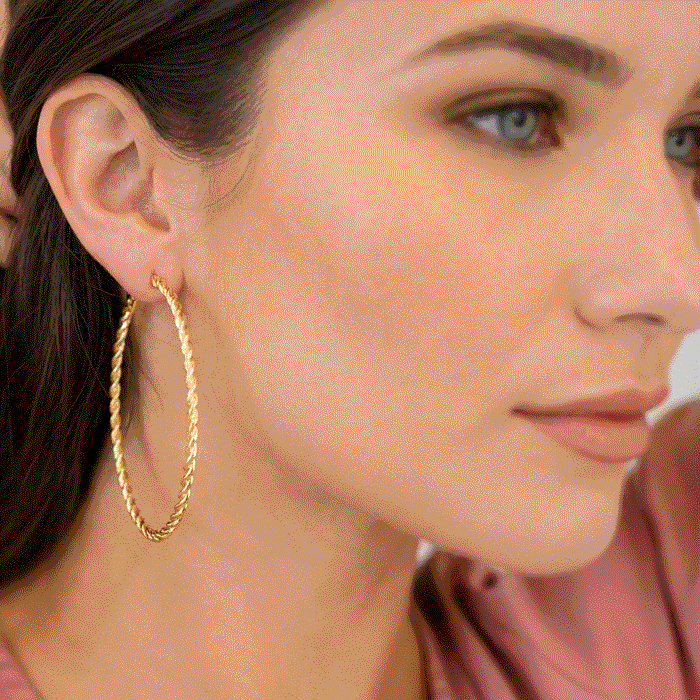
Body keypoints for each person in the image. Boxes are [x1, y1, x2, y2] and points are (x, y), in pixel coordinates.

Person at [1, 1, 700, 698]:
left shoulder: (667, 596)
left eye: (687, 142)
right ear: (127, 184)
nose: (680, 286)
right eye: (513, 118)